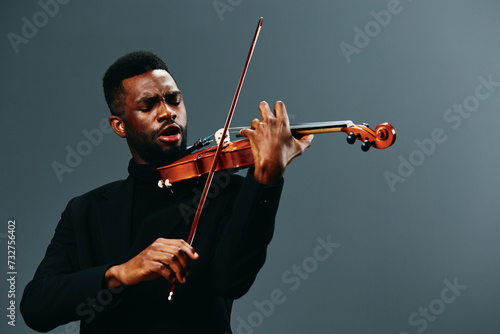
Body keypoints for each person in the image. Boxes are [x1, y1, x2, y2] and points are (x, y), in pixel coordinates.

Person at [20, 51, 313, 333]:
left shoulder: (225, 189)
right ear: (119, 125)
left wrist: (265, 176)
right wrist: (119, 273)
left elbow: (232, 280)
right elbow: (36, 307)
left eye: (174, 100)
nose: (167, 113)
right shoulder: (86, 210)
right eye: (148, 106)